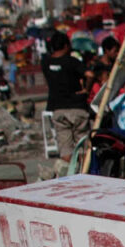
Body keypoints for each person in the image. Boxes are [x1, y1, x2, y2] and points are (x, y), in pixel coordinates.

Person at [41, 31, 90, 162]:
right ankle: (85, 173)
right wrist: (86, 89)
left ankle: (72, 172)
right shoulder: (72, 62)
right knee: (84, 147)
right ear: (66, 45)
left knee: (65, 151)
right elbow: (90, 74)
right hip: (77, 106)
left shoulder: (45, 63)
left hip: (58, 109)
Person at [88, 36, 120, 101]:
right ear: (107, 50)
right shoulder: (96, 66)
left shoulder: (115, 65)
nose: (117, 54)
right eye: (115, 51)